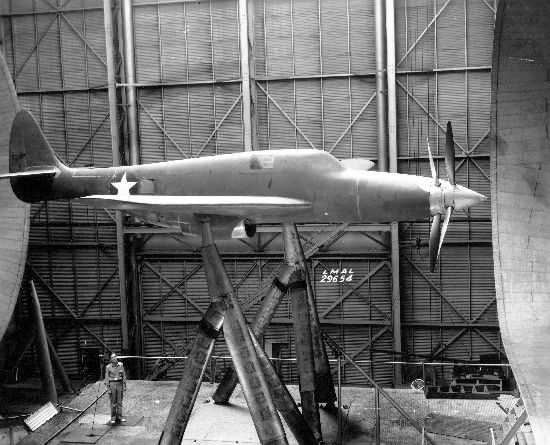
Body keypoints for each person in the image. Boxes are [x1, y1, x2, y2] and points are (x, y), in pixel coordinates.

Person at [104, 352, 127, 425]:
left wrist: (124, 385)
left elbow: (124, 375)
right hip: (112, 384)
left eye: (115, 356)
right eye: (113, 357)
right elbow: (106, 379)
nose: (115, 358)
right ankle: (113, 417)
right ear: (110, 359)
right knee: (113, 402)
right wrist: (108, 389)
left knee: (119, 402)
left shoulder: (121, 365)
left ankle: (119, 416)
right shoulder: (108, 367)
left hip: (119, 384)